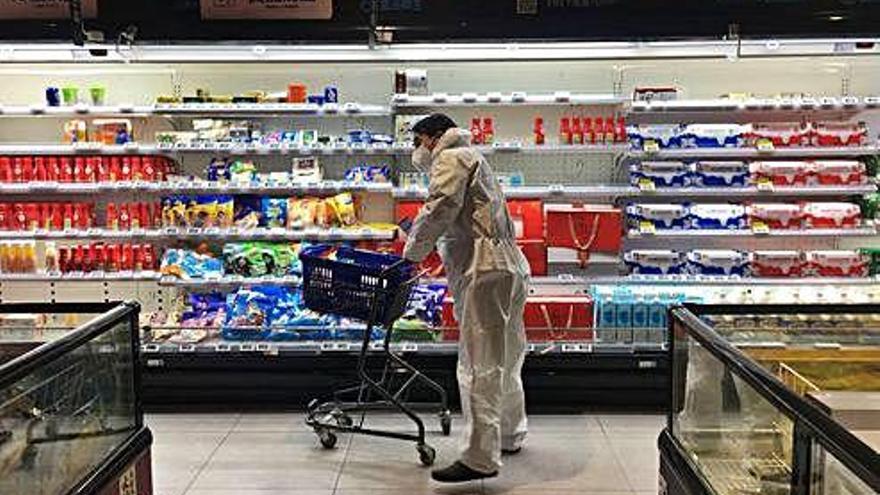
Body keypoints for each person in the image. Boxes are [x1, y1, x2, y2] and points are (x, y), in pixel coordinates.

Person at [402, 114, 531, 483]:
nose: (417, 150)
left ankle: (479, 458)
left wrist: (411, 253)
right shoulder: (474, 156)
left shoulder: (450, 157)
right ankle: (508, 433)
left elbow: (440, 206)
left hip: (484, 268)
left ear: (433, 138)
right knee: (505, 356)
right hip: (509, 266)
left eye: (419, 141)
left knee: (479, 363)